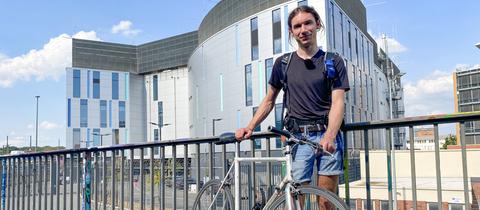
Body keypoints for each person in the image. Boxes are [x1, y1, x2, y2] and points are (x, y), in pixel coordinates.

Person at [235, 5, 349, 209]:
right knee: (296, 200)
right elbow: (269, 100)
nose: (303, 29)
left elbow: (338, 101)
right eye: (297, 26)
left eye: (308, 23)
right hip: (298, 139)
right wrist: (250, 126)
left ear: (317, 25)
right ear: (291, 31)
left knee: (326, 202)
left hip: (328, 137)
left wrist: (330, 135)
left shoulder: (332, 61)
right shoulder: (283, 63)